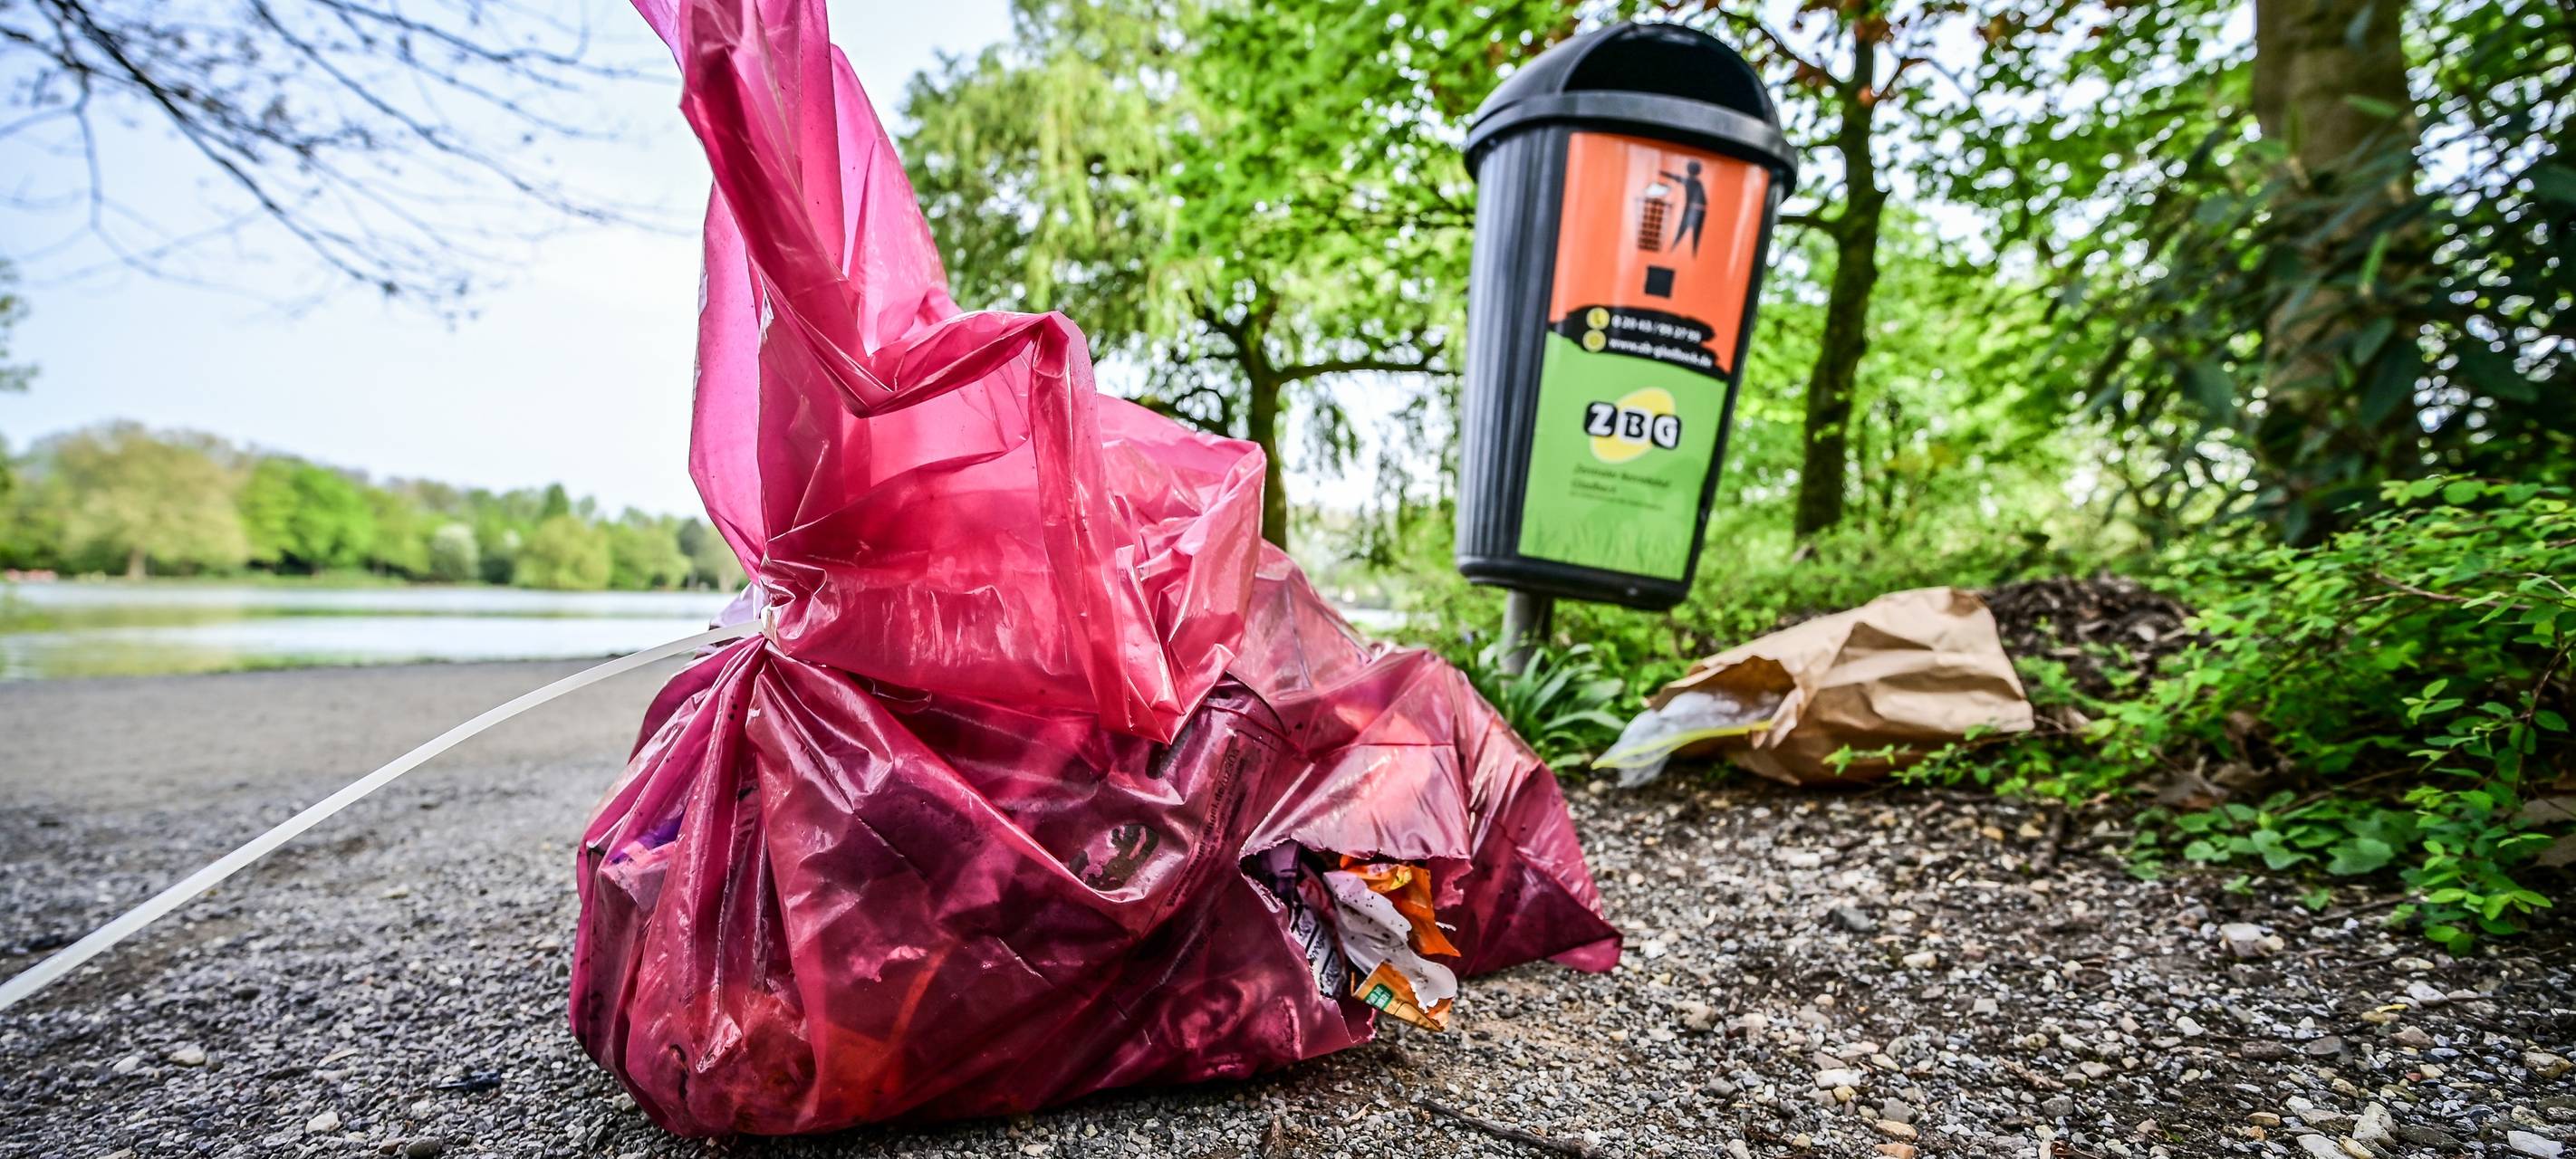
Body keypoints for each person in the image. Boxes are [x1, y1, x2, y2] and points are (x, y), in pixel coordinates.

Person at [1658, 159, 1707, 254]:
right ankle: (1690, 251)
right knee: (1695, 235)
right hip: (1700, 209)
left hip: (1692, 208)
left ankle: (1672, 250)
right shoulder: (1698, 182)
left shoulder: (1689, 181)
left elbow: (1675, 177)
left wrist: (1662, 173)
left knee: (1683, 231)